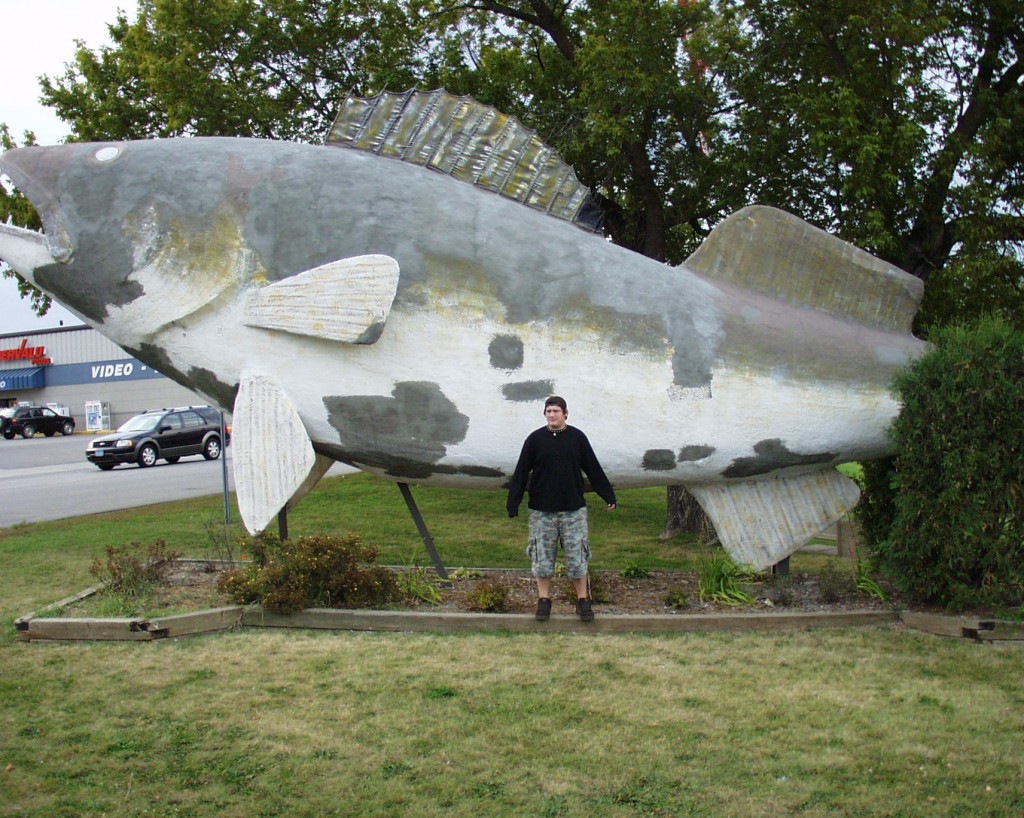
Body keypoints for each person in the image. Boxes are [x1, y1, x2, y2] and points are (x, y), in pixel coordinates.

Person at [506, 396, 616, 621]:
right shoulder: (535, 440)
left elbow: (593, 468)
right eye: (548, 411)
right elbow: (521, 472)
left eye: (556, 411)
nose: (552, 415)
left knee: (577, 558)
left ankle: (583, 601)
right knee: (542, 559)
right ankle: (544, 600)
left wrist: (607, 495)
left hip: (573, 510)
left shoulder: (577, 438)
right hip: (541, 511)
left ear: (566, 413)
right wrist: (513, 502)